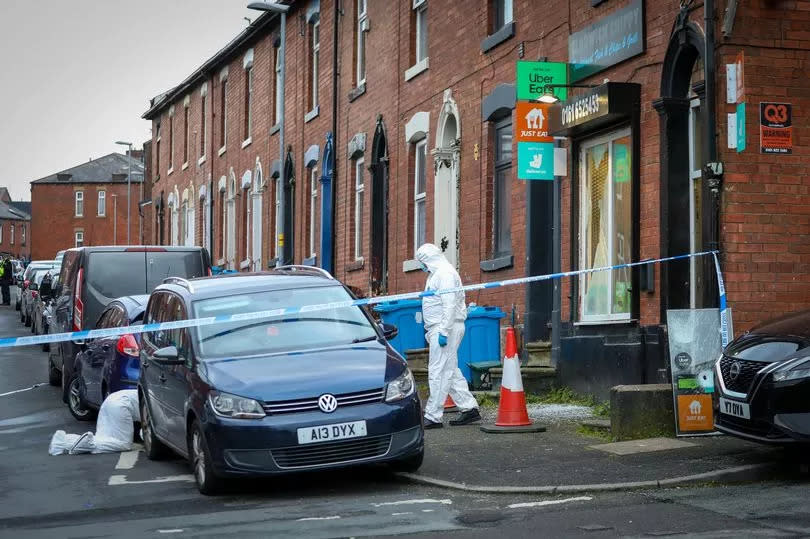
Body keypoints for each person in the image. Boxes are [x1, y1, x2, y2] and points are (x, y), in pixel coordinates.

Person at [416, 243, 480, 428]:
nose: (422, 266)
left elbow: (449, 304)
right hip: (442, 328)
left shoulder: (445, 274)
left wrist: (443, 332)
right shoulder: (438, 273)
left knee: (438, 371)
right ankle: (469, 409)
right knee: (449, 370)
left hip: (446, 329)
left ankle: (433, 415)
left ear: (427, 259)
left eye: (422, 262)